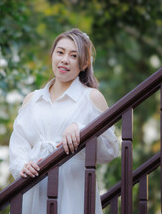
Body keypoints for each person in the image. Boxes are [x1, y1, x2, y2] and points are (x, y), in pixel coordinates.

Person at [9, 28, 119, 214]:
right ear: (52, 55)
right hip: (34, 187)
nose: (64, 60)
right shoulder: (32, 99)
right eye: (60, 52)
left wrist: (81, 129)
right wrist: (22, 165)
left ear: (83, 63)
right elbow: (19, 144)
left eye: (73, 55)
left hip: (73, 188)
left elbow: (110, 150)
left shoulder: (92, 97)